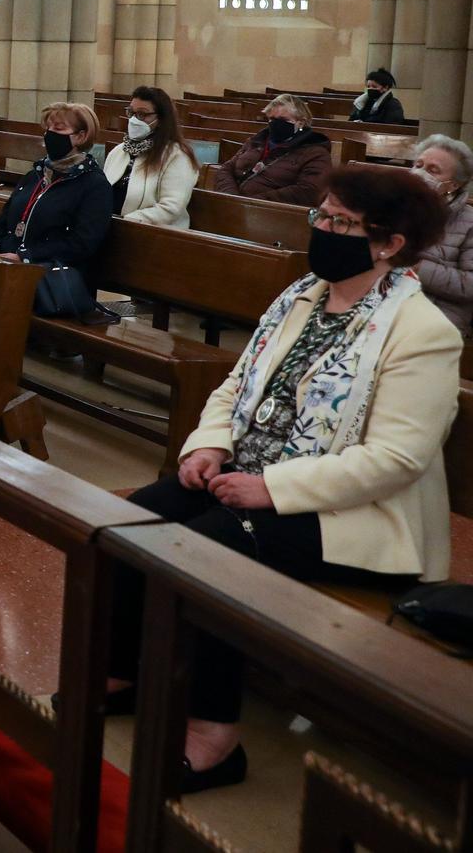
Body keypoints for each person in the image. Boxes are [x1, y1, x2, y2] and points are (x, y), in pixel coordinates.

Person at [104, 165, 459, 792]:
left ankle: (214, 737)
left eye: (339, 222)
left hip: (355, 517)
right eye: (319, 215)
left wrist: (273, 489)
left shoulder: (423, 331)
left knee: (214, 548)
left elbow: (397, 460)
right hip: (253, 478)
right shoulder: (300, 296)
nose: (321, 230)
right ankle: (124, 669)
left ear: (389, 243)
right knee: (135, 515)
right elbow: (238, 386)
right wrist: (209, 446)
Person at [0, 103, 115, 302]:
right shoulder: (35, 175)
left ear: (81, 136)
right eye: (48, 128)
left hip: (53, 280)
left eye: (59, 129)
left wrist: (26, 256)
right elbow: (3, 220)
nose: (50, 134)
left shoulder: (94, 184)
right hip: (12, 268)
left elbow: (82, 243)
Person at [101, 86, 199, 228]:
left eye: (142, 114)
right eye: (131, 113)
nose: (134, 120)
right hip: (111, 227)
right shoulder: (119, 151)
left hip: (153, 235)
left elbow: (171, 208)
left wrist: (125, 222)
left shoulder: (177, 156)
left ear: (161, 119)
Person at [207, 94, 331, 205]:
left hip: (270, 215)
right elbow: (226, 169)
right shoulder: (256, 142)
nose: (275, 124)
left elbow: (309, 191)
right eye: (272, 119)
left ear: (301, 123)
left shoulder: (315, 152)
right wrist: (231, 197)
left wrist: (251, 203)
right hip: (232, 205)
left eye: (283, 120)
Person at [412, 134, 473, 335]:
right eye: (418, 165)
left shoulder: (468, 222)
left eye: (433, 170)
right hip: (383, 304)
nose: (420, 173)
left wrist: (415, 267)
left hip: (438, 316)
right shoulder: (388, 207)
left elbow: (469, 285)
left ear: (453, 185)